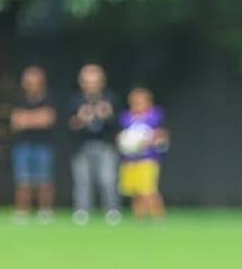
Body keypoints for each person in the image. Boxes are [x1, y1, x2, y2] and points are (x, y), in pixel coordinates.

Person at [68, 63, 121, 225]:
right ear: (82, 83)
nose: (91, 85)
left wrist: (108, 116)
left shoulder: (111, 98)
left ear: (101, 82)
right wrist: (81, 119)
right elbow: (70, 124)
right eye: (88, 81)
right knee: (82, 180)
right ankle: (82, 210)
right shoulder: (75, 99)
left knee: (108, 179)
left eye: (95, 81)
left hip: (105, 144)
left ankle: (112, 210)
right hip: (82, 145)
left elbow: (119, 122)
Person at [9, 65, 57, 223]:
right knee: (23, 180)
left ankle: (45, 212)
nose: (30, 84)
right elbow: (16, 122)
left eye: (33, 81)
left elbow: (48, 119)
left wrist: (27, 119)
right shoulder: (18, 99)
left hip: (43, 145)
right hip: (23, 146)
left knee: (44, 180)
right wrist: (37, 118)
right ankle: (22, 212)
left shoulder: (49, 98)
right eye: (27, 81)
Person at [117, 87, 169, 220]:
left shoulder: (154, 116)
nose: (137, 105)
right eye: (134, 102)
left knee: (148, 190)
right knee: (135, 191)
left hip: (147, 159)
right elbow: (122, 136)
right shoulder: (126, 117)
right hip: (130, 160)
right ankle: (139, 218)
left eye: (140, 102)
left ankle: (158, 216)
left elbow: (161, 135)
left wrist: (148, 141)